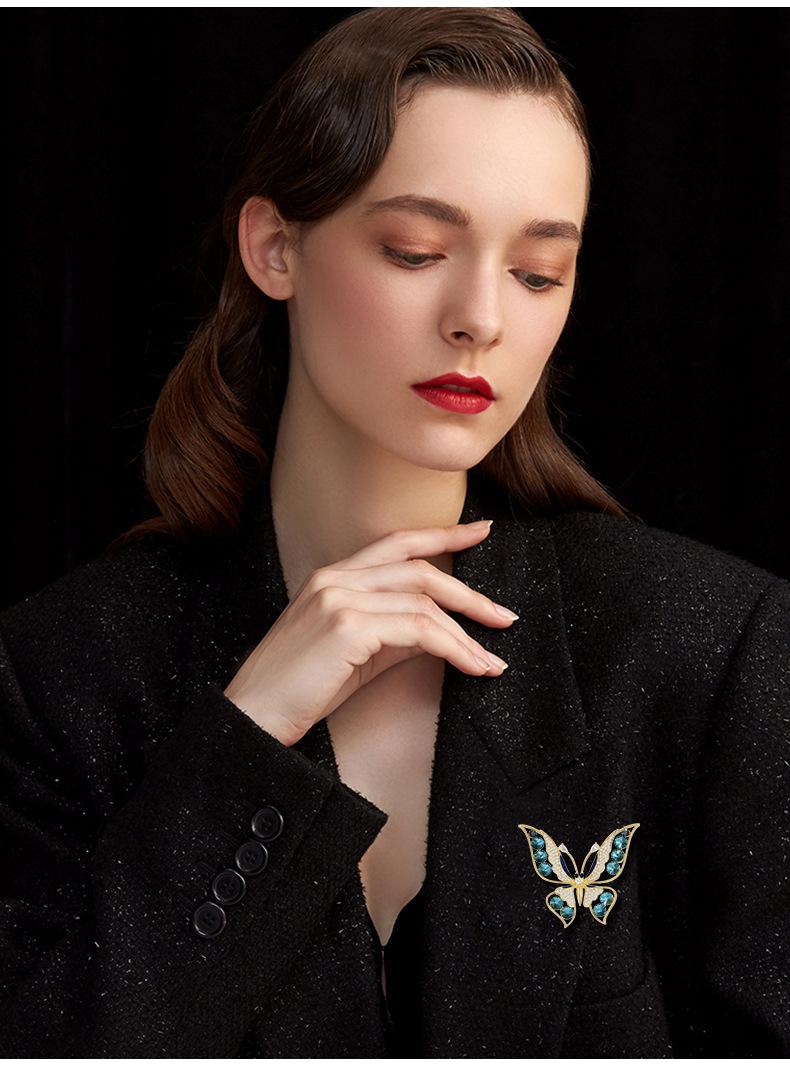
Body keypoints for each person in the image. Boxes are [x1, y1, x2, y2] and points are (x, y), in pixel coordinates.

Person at [0, 7, 787, 1059]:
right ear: (274, 246)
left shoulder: (707, 647)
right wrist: (249, 733)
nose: (481, 318)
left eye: (538, 272)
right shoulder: (62, 671)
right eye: (415, 251)